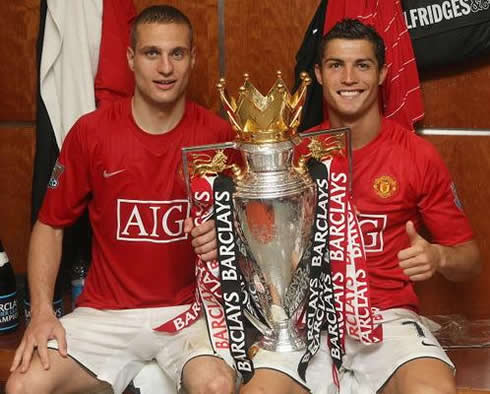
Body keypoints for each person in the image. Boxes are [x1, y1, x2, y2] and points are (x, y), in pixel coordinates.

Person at [233, 19, 481, 394]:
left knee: (432, 390)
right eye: (336, 65)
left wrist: (438, 258)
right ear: (318, 73)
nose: (349, 77)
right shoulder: (289, 156)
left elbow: (470, 259)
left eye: (362, 65)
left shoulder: (416, 155)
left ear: (382, 73)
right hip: (305, 321)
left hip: (387, 318)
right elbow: (253, 249)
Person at [6, 5, 236, 394]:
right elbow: (50, 225)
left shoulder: (218, 135)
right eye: (152, 53)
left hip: (188, 314)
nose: (165, 67)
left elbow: (254, 232)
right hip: (106, 313)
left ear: (192, 59)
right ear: (131, 58)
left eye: (177, 53)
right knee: (22, 385)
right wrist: (43, 310)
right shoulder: (91, 132)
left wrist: (224, 237)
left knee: (215, 386)